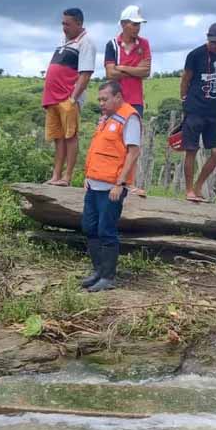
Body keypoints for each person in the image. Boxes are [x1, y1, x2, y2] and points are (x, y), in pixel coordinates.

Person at [81, 81, 141, 292]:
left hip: (111, 187)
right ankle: (98, 271)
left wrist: (120, 184)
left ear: (118, 97)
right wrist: (88, 176)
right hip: (94, 184)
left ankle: (108, 276)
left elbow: (133, 152)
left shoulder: (129, 117)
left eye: (105, 99)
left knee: (106, 230)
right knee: (89, 227)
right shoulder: (106, 119)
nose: (101, 103)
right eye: (99, 99)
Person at [180, 22, 216, 202]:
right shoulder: (195, 55)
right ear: (207, 38)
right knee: (191, 149)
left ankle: (199, 185)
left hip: (215, 112)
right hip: (195, 109)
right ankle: (189, 190)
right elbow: (186, 79)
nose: (214, 45)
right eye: (211, 41)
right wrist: (184, 99)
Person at [42, 7, 96, 186]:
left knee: (70, 136)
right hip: (53, 98)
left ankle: (67, 176)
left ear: (79, 24)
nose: (64, 27)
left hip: (67, 96)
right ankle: (56, 175)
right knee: (58, 137)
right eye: (63, 23)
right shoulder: (63, 41)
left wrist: (73, 98)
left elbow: (85, 74)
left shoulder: (86, 42)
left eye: (68, 24)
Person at [104, 5, 151, 118]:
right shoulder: (112, 45)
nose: (137, 28)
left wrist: (121, 67)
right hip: (115, 101)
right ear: (123, 24)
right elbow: (110, 74)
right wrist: (136, 69)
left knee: (133, 134)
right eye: (134, 24)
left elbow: (146, 72)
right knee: (114, 135)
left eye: (139, 24)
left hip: (136, 101)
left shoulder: (144, 44)